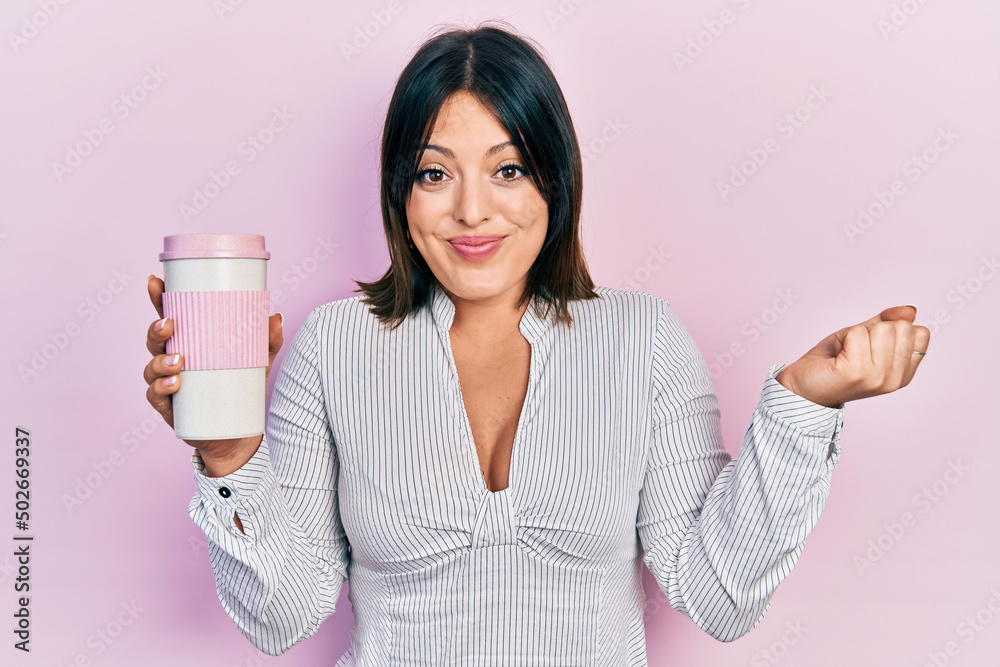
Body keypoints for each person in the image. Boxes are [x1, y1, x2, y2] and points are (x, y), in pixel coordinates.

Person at [143, 21, 929, 666]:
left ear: (556, 179)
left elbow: (718, 596)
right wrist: (228, 456)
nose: (472, 211)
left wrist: (802, 405)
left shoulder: (644, 339)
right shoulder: (332, 347)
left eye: (510, 169)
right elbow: (282, 617)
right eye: (434, 174)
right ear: (400, 191)